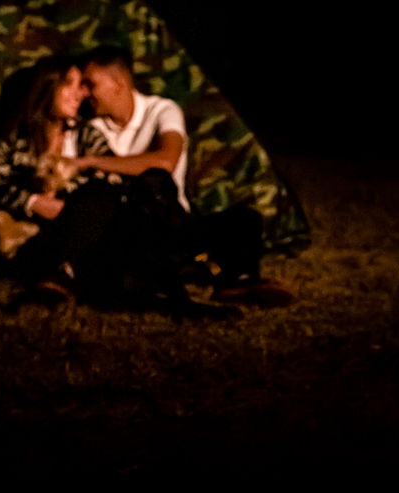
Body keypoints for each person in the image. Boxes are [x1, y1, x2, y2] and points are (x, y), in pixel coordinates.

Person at [0, 54, 237, 318]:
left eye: (86, 84)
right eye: (73, 84)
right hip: (44, 234)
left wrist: (79, 174)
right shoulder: (15, 136)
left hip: (99, 226)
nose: (82, 93)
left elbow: (121, 176)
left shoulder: (87, 133)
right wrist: (34, 202)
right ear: (49, 87)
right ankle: (60, 273)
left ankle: (216, 280)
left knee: (236, 222)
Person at [73, 45, 294, 307]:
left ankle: (235, 281)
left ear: (118, 83)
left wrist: (92, 161)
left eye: (90, 84)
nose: (84, 93)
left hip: (174, 224)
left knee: (245, 221)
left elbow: (166, 161)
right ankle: (195, 269)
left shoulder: (161, 111)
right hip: (132, 230)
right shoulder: (91, 128)